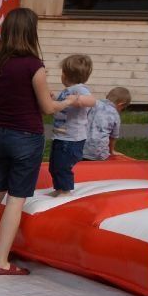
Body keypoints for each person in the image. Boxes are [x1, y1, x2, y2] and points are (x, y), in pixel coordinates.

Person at [0, 8, 84, 276]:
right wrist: (68, 101)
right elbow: (47, 108)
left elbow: (13, 92)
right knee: (15, 200)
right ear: (31, 31)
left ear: (6, 29)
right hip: (26, 137)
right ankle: (1, 262)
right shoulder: (33, 65)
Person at [47, 54, 99, 197]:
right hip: (61, 136)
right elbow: (61, 105)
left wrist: (77, 100)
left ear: (64, 75)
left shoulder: (79, 89)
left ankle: (65, 191)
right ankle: (59, 188)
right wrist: (53, 98)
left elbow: (92, 101)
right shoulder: (67, 91)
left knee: (62, 166)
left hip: (71, 139)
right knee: (55, 165)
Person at [83, 87, 132, 161]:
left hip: (81, 147)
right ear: (121, 104)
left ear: (107, 96)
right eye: (123, 108)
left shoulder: (94, 104)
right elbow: (113, 137)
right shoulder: (115, 115)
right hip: (98, 153)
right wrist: (112, 150)